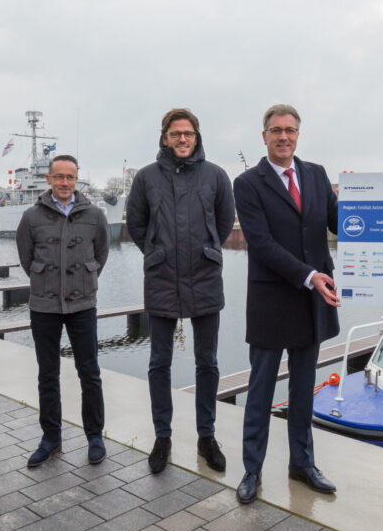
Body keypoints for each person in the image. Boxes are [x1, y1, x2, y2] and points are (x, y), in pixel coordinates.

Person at [232, 104, 340, 504]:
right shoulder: (247, 183)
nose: (283, 137)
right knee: (260, 389)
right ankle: (252, 470)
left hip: (311, 302)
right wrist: (309, 276)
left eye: (290, 130)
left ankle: (302, 464)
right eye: (275, 130)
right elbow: (261, 244)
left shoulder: (316, 175)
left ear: (298, 134)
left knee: (302, 389)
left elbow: (340, 220)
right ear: (264, 136)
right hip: (273, 298)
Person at [126, 108, 235, 474]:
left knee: (208, 362)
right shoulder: (145, 178)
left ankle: (207, 436)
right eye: (176, 134)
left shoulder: (216, 176)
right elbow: (137, 225)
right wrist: (159, 253)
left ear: (197, 136)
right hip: (161, 279)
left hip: (204, 278)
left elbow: (222, 225)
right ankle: (163, 435)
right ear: (164, 138)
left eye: (188, 133)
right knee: (159, 363)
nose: (182, 139)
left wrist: (204, 252)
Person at [16, 154, 110, 467]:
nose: (65, 183)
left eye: (70, 177)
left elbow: (101, 255)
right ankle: (51, 438)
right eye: (59, 177)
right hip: (44, 306)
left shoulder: (95, 215)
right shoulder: (31, 217)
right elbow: (26, 258)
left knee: (90, 372)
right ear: (49, 180)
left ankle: (95, 435)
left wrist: (82, 280)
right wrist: (48, 283)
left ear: (77, 179)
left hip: (82, 304)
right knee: (48, 374)